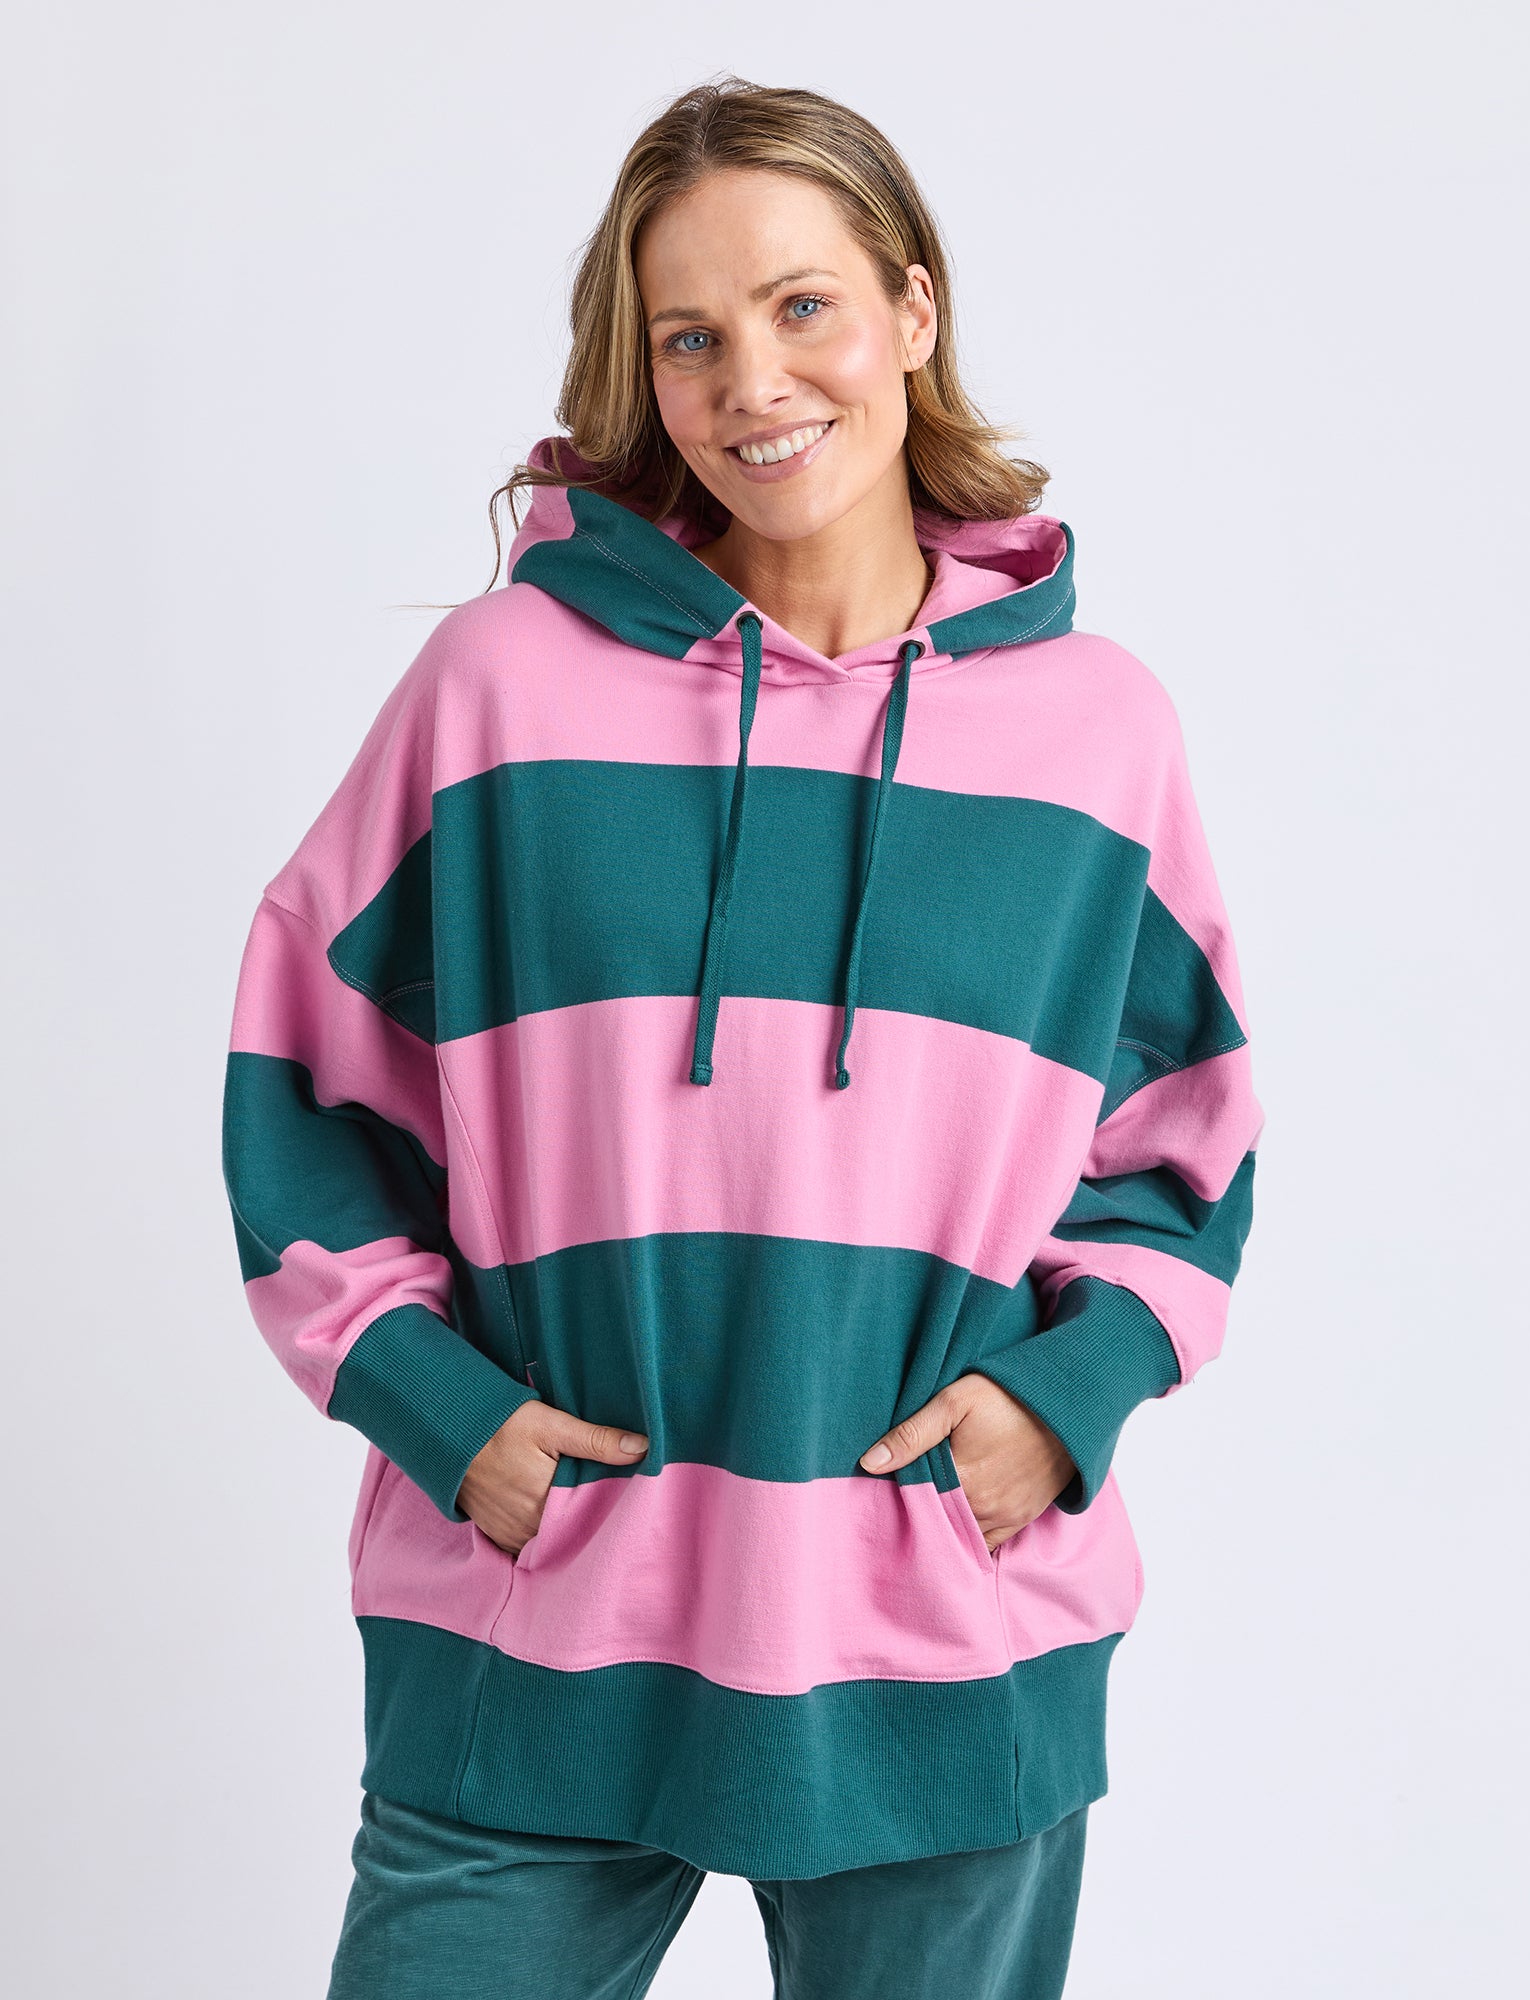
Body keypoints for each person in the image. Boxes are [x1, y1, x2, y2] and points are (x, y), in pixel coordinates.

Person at [221, 74, 1263, 2000]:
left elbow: (1180, 1141)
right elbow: (307, 1075)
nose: (752, 382)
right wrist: (446, 1419)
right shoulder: (499, 688)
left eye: (803, 307)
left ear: (912, 310)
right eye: (688, 336)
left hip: (944, 1635)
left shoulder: (1099, 734)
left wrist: (1063, 1400)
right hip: (539, 1613)